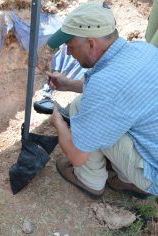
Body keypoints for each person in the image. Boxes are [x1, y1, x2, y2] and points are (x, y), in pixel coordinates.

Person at [46, 1, 158, 199]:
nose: (69, 53)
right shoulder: (143, 50)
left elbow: (77, 156)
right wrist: (69, 85)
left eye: (70, 46)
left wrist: (59, 123)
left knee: (80, 107)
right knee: (98, 108)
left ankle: (91, 181)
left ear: (91, 43)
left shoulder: (104, 87)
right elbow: (123, 90)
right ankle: (127, 175)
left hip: (153, 174)